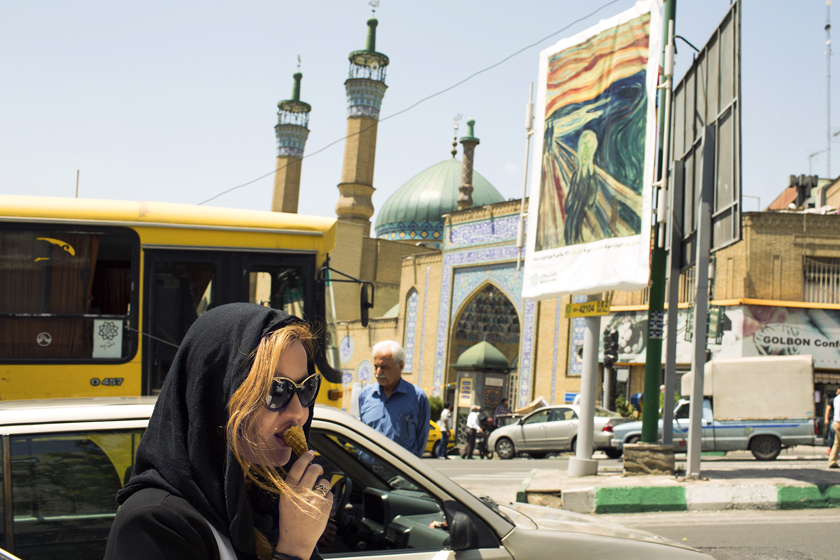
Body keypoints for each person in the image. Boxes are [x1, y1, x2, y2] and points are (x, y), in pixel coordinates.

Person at [105, 303, 334, 560]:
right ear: (216, 397)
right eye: (277, 391)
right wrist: (294, 551)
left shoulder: (266, 504)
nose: (299, 413)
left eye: (305, 389)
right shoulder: (153, 524)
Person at [358, 340, 430, 458]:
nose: (378, 372)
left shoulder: (417, 397)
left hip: (400, 474)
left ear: (400, 366)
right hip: (366, 471)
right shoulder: (365, 395)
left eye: (384, 367)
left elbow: (420, 442)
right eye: (376, 367)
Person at [829, 388, 840, 468]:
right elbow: (838, 411)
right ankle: (832, 461)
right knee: (837, 443)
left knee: (837, 443)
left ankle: (832, 461)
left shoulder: (836, 398)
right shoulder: (838, 399)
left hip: (836, 422)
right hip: (838, 422)